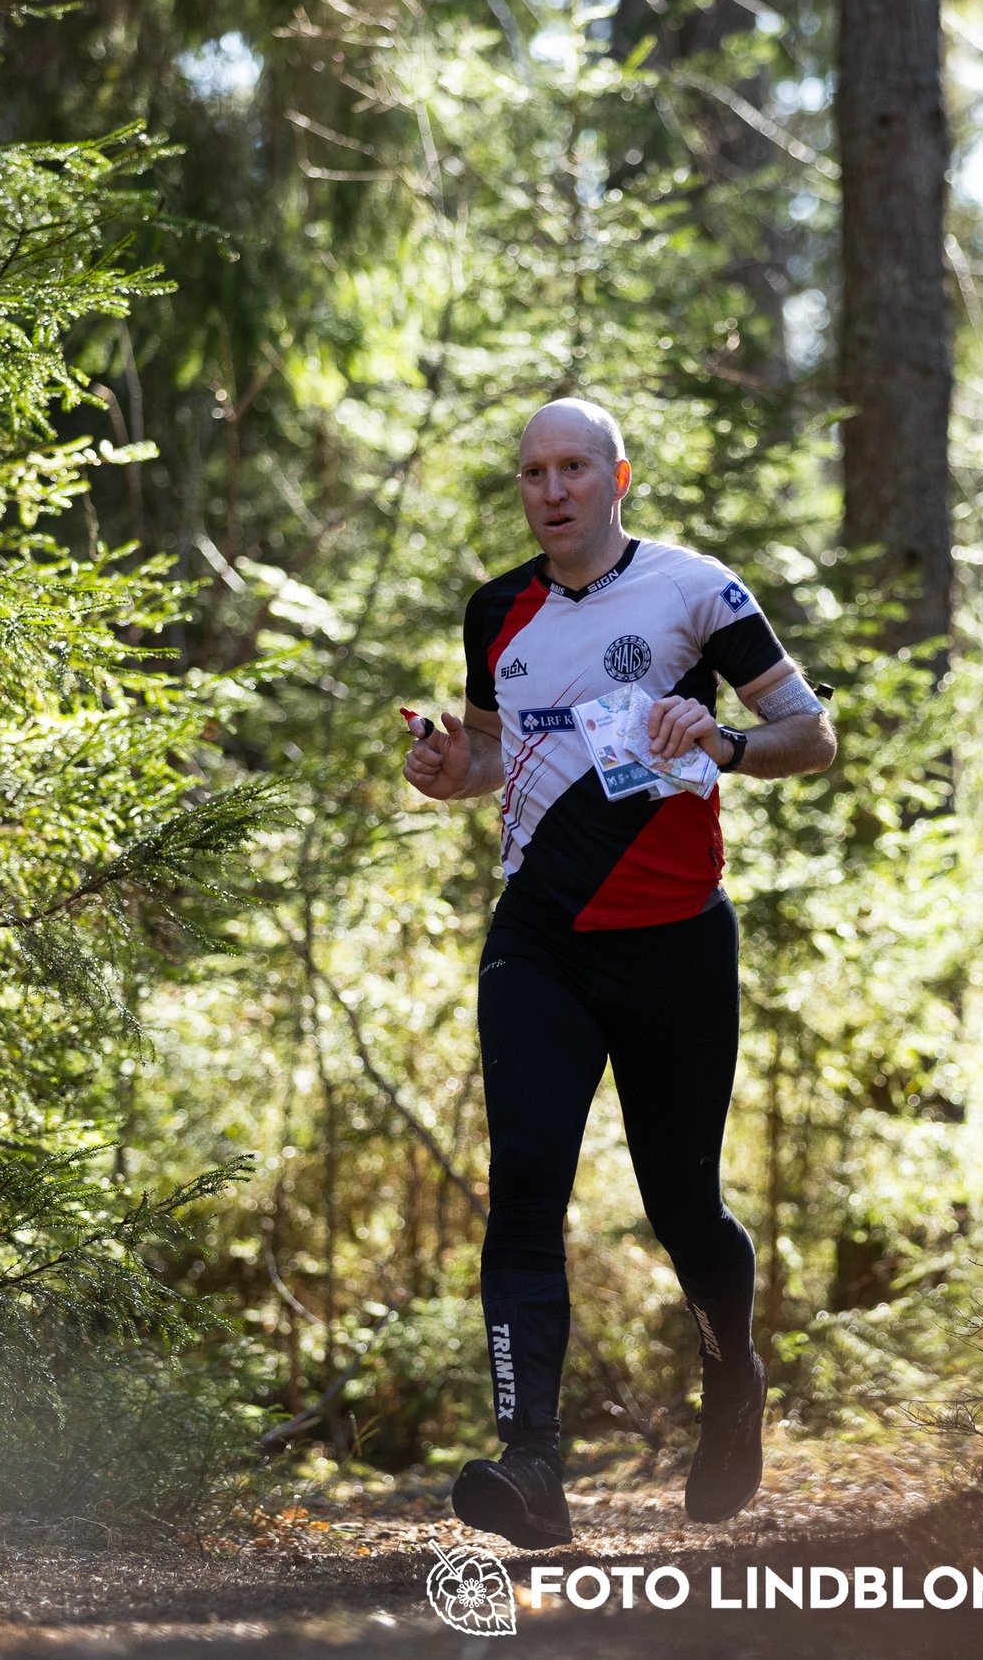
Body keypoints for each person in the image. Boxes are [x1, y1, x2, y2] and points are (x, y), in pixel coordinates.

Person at [403, 397, 837, 1548]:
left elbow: (812, 733)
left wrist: (726, 743)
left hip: (674, 938)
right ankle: (531, 1462)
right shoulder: (496, 606)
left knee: (681, 1204)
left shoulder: (697, 589)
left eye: (573, 468)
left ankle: (730, 1368)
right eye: (533, 473)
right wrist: (452, 768)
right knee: (527, 1180)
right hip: (539, 936)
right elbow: (496, 753)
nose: (551, 490)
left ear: (617, 477)